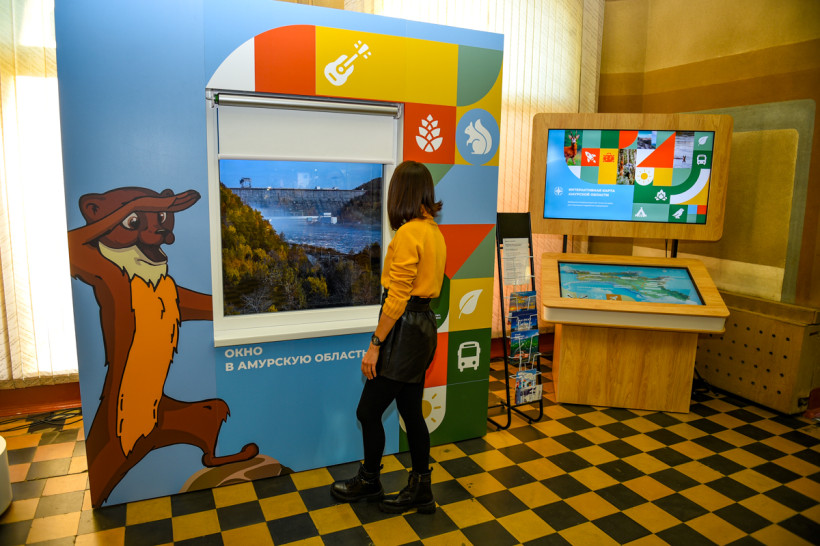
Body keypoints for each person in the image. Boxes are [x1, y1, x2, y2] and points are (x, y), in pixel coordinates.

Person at [330, 160, 446, 515]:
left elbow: (397, 298)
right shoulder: (433, 231)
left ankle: (370, 480)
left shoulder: (409, 233)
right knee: (411, 411)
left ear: (400, 194)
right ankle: (421, 487)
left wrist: (375, 345)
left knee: (367, 411)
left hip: (404, 330)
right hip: (422, 326)